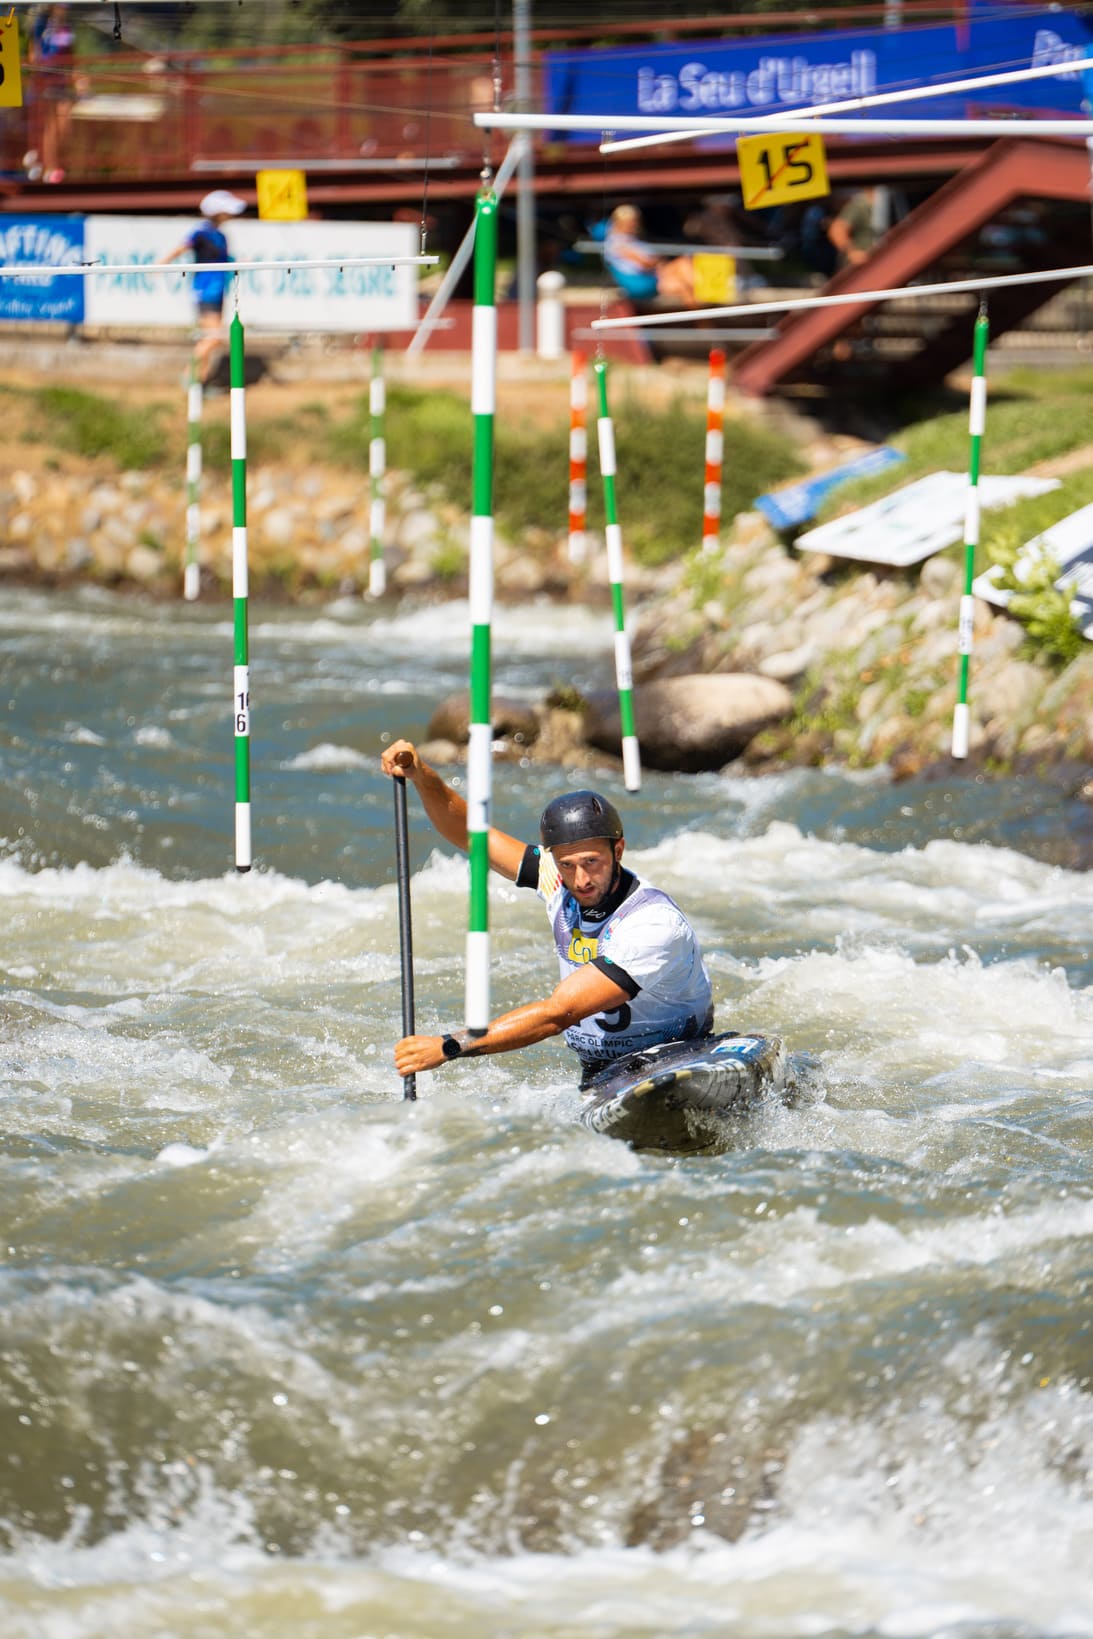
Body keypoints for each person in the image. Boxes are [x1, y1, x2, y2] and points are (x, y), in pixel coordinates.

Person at [380, 741, 713, 1087]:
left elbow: (559, 1014)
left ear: (618, 850)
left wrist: (450, 1046)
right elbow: (470, 834)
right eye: (567, 865)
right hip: (603, 1072)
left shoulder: (654, 924)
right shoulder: (555, 877)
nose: (581, 879)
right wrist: (422, 775)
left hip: (678, 1057)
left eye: (592, 862)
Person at [157, 190, 247, 385]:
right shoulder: (202, 232)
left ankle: (199, 382)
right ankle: (190, 374)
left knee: (212, 338)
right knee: (215, 337)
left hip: (218, 290)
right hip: (205, 291)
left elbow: (222, 259)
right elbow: (182, 247)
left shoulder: (220, 235)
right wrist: (162, 264)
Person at [603, 204, 695, 304]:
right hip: (643, 283)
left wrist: (658, 262)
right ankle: (703, 312)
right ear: (619, 223)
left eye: (634, 221)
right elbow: (645, 263)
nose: (634, 224)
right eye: (630, 222)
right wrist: (658, 262)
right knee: (682, 265)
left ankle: (703, 315)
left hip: (654, 278)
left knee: (682, 285)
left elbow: (650, 262)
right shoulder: (617, 242)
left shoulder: (632, 240)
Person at [28, 5, 76, 183]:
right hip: (46, 80)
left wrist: (75, 77)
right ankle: (49, 167)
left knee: (64, 125)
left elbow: (71, 53)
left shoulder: (67, 26)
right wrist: (38, 76)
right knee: (49, 126)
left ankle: (53, 164)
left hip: (62, 82)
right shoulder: (41, 23)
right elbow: (34, 52)